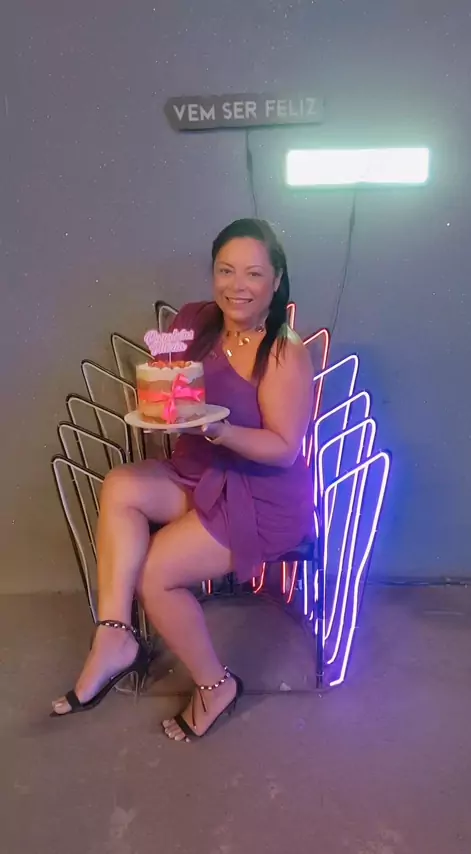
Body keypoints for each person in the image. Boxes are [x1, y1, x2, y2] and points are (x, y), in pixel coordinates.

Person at [51, 218, 315, 741]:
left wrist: (219, 429)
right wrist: (162, 395)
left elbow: (284, 449)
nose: (237, 286)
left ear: (276, 279)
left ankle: (216, 685)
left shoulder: (284, 352)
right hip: (200, 473)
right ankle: (114, 635)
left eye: (253, 274)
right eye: (226, 270)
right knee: (121, 486)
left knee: (154, 575)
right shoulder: (196, 320)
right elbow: (171, 385)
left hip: (259, 495)